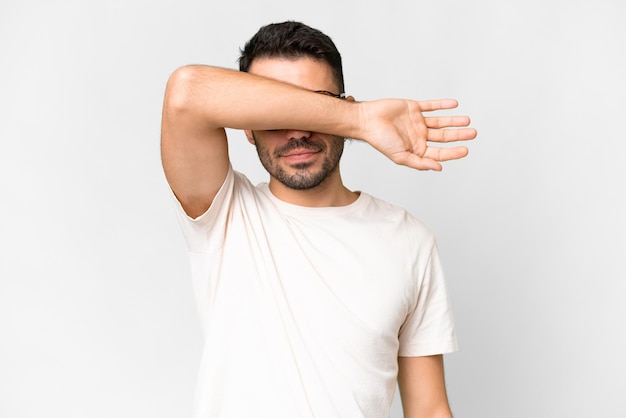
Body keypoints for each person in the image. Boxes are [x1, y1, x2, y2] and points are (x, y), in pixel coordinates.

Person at [161, 21, 476, 418]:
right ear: (246, 127)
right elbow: (186, 92)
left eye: (317, 105)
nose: (298, 131)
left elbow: (429, 409)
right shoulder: (223, 216)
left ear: (341, 104)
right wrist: (358, 119)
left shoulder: (410, 239)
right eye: (274, 109)